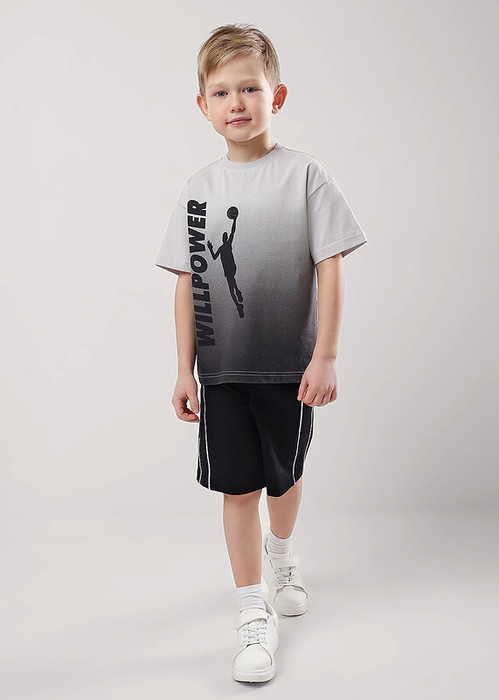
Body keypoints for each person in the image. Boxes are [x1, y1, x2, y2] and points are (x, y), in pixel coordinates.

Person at [155, 23, 368, 684]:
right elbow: (186, 283)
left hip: (287, 368)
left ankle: (281, 553)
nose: (236, 102)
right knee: (237, 486)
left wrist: (325, 355)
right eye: (221, 92)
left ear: (276, 96)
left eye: (249, 87)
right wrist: (184, 370)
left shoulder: (304, 176)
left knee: (284, 475)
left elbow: (331, 266)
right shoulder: (198, 188)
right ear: (203, 106)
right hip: (222, 374)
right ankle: (252, 610)